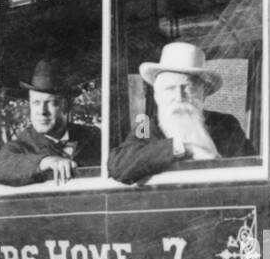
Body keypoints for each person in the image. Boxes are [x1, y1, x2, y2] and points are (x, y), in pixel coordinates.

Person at [108, 42, 253, 184]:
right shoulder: (145, 125)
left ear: (203, 94)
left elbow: (251, 167)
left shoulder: (226, 124)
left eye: (187, 88)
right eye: (170, 89)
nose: (179, 97)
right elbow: (119, 164)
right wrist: (185, 147)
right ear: (157, 96)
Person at [0, 60, 101, 185]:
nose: (42, 111)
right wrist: (46, 161)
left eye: (50, 103)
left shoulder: (92, 137)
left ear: (66, 107)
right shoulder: (23, 144)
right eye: (36, 103)